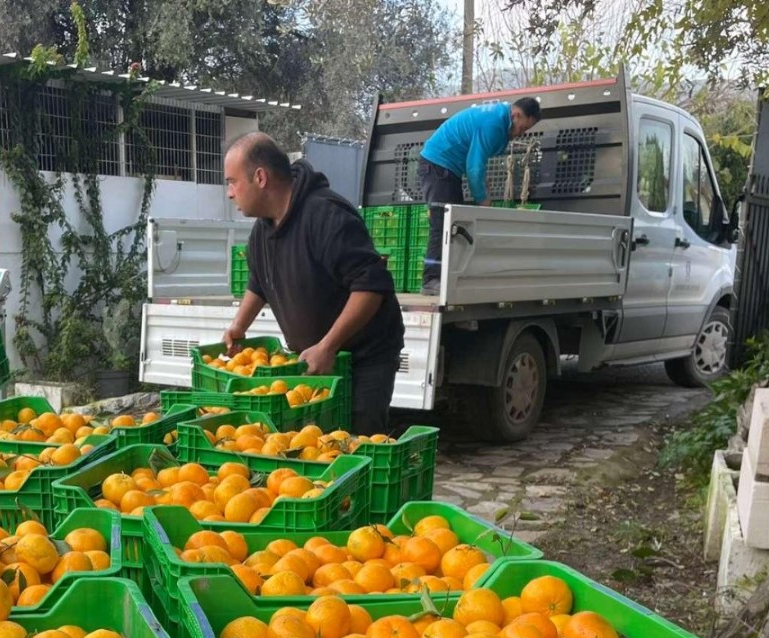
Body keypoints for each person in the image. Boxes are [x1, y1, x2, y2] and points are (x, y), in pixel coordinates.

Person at [222, 132, 405, 435]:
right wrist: (239, 325)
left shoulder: (326, 215)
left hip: (364, 359)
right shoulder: (262, 231)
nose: (229, 193)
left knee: (359, 442)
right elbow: (259, 281)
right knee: (318, 446)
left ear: (260, 177)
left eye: (232, 181)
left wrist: (328, 345)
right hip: (315, 359)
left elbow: (371, 286)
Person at [418, 96, 541, 295]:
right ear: (516, 114)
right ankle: (431, 279)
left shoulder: (500, 119)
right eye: (522, 128)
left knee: (455, 226)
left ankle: (449, 278)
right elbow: (474, 168)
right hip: (437, 165)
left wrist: (484, 192)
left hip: (448, 169)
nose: (520, 134)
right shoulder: (493, 123)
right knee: (442, 224)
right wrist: (482, 202)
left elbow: (478, 164)